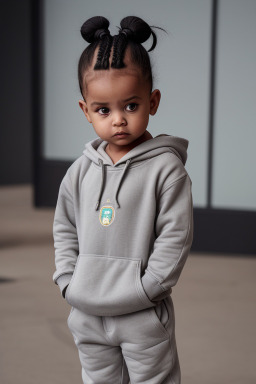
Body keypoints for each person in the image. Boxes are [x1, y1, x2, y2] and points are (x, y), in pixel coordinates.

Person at [53, 15, 193, 384]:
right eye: (104, 110)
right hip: (86, 311)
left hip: (140, 314)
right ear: (86, 111)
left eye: (130, 106)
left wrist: (148, 288)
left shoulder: (167, 169)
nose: (118, 120)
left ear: (153, 101)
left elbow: (175, 235)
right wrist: (68, 279)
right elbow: (64, 226)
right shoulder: (80, 171)